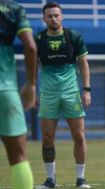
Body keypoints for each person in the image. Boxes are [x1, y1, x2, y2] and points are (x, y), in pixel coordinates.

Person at [34, 2, 91, 189]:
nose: (54, 19)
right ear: (44, 19)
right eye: (49, 16)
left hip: (71, 93)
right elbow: (32, 66)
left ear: (62, 16)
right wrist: (32, 90)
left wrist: (87, 89)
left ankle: (81, 179)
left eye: (56, 15)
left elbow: (83, 63)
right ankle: (50, 180)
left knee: (79, 137)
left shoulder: (73, 36)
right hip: (48, 94)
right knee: (47, 138)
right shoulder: (38, 39)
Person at [0, 0, 37, 189]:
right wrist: (31, 84)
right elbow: (30, 47)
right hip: (5, 89)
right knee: (18, 157)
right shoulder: (13, 9)